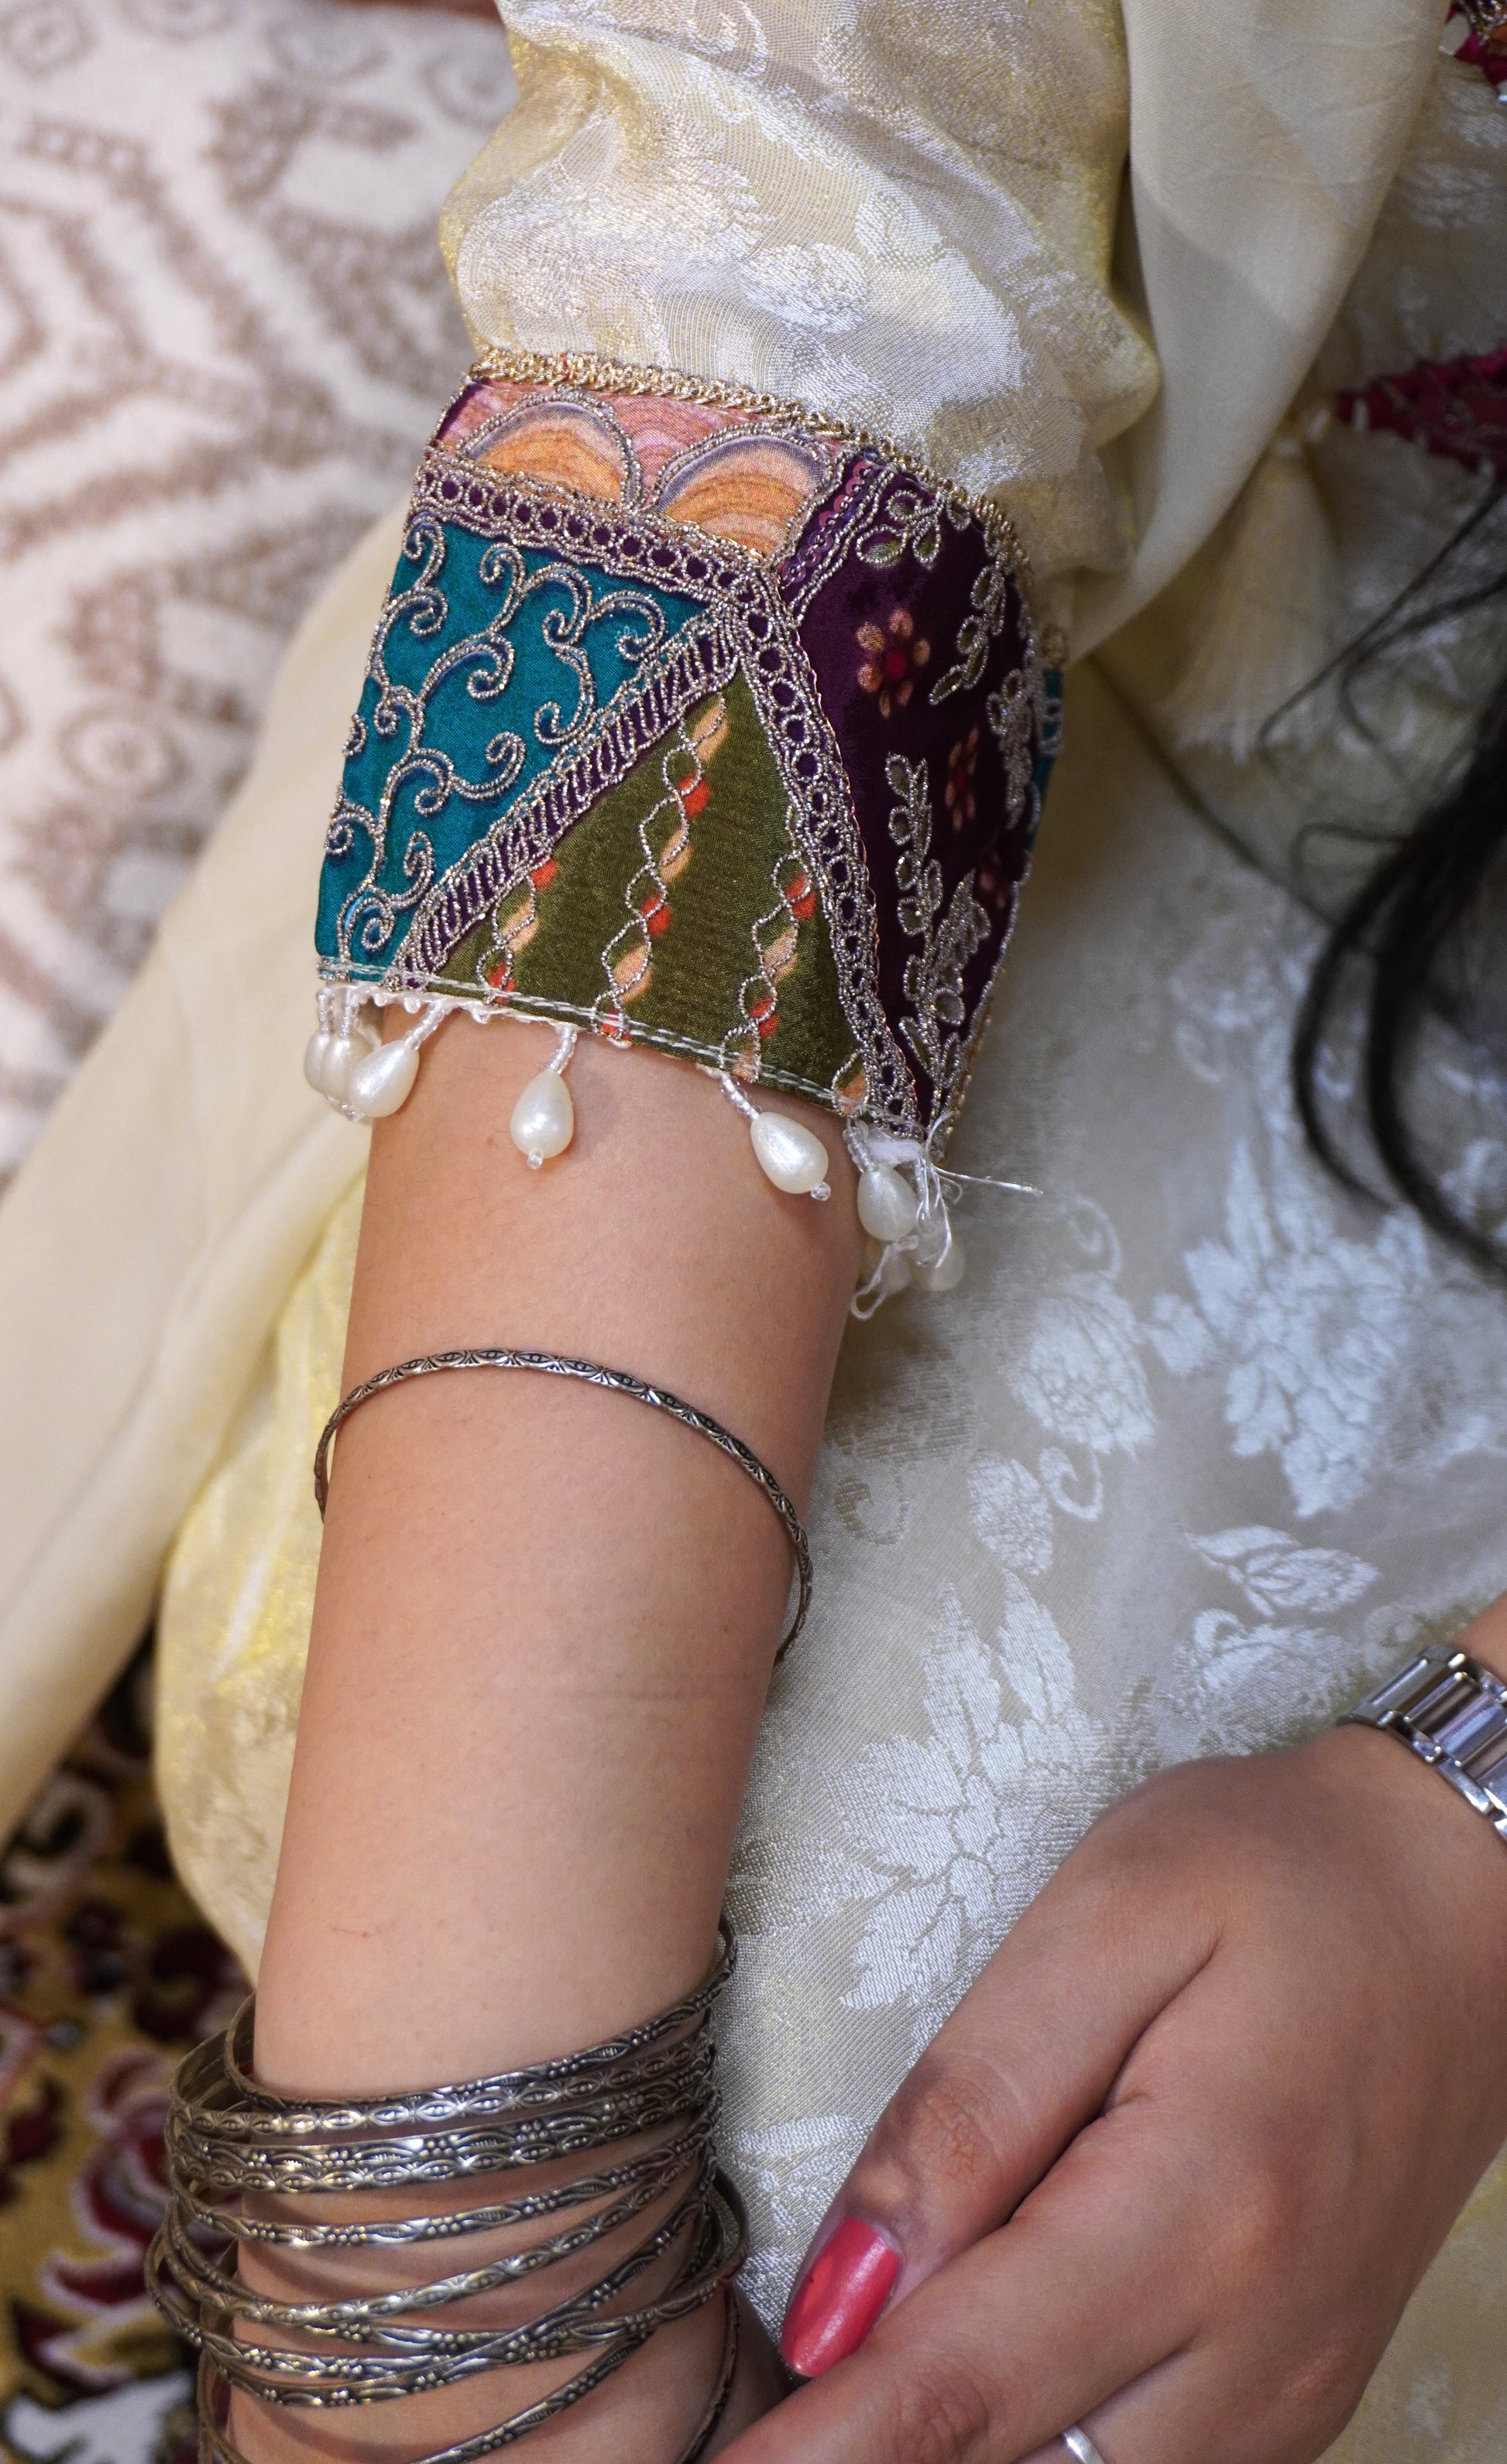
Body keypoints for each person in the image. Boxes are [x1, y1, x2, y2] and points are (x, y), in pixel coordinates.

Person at [7, 2, 1507, 2460]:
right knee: (793, 2085)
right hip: (1155, 647)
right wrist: (455, 2269)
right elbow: (787, 258)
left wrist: (1466, 1834)